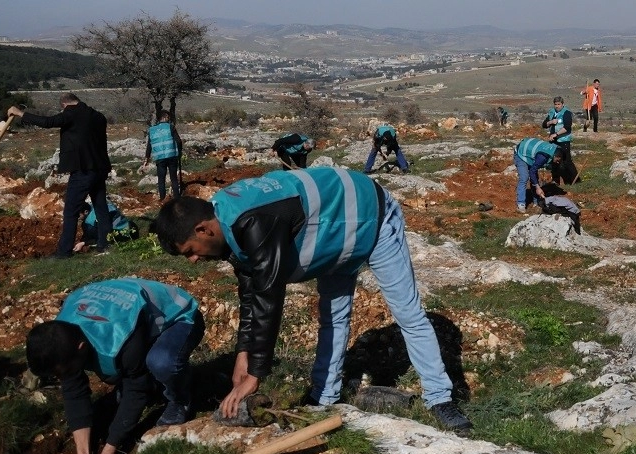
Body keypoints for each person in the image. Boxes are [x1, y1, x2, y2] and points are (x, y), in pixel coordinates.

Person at [152, 167, 473, 434]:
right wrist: (243, 355)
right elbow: (251, 295)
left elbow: (269, 292)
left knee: (408, 313)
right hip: (334, 240)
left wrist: (255, 375)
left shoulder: (253, 221)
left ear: (203, 229)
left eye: (190, 251)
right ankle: (325, 398)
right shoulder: (227, 222)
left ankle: (439, 398)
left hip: (372, 218)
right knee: (333, 319)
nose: (193, 260)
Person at [26, 278, 205, 454]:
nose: (62, 378)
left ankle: (179, 399)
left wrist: (111, 447)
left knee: (161, 362)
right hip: (133, 318)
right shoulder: (63, 333)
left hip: (181, 316)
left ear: (81, 347)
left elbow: (136, 390)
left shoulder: (121, 340)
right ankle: (152, 379)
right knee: (114, 372)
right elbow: (74, 391)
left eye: (63, 373)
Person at [9, 93, 112, 259]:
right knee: (101, 207)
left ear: (64, 104)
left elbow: (48, 122)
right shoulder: (98, 116)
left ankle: (64, 252)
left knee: (71, 211)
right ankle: (105, 244)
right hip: (100, 168)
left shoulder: (71, 113)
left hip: (82, 170)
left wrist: (21, 114)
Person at [140, 110, 183, 200]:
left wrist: (146, 159)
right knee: (174, 178)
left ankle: (162, 198)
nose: (168, 119)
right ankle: (177, 198)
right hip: (172, 156)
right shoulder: (170, 127)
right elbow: (178, 141)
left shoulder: (152, 130)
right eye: (168, 117)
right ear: (164, 117)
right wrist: (179, 152)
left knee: (161, 179)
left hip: (160, 158)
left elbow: (149, 146)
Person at [513, 137, 562, 213]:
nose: (558, 162)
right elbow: (532, 171)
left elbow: (534, 171)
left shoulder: (554, 151)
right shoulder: (543, 156)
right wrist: (538, 187)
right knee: (524, 177)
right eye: (558, 160)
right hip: (521, 153)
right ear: (555, 156)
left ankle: (536, 202)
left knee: (534, 178)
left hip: (530, 155)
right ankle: (521, 204)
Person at [74, 199, 139, 252]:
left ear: (86, 212)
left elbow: (101, 237)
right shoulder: (98, 208)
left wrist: (83, 243)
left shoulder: (91, 221)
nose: (77, 217)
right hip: (132, 228)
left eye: (78, 215)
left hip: (123, 236)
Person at [542, 96, 577, 184]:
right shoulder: (551, 112)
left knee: (567, 161)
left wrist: (556, 134)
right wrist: (551, 122)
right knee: (554, 161)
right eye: (555, 104)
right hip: (553, 141)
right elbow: (544, 124)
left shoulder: (566, 113)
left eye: (559, 104)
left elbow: (567, 128)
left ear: (562, 104)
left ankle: (574, 181)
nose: (557, 106)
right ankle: (555, 180)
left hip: (563, 140)